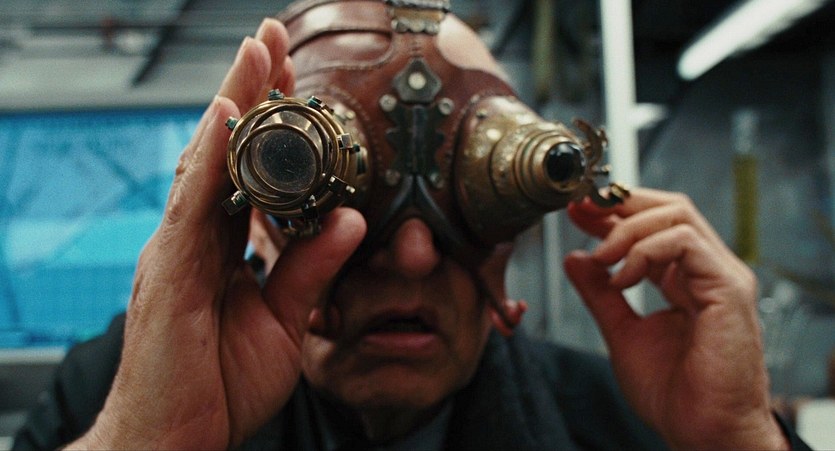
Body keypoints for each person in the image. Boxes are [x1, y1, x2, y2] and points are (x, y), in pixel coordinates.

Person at [13, 1, 808, 450]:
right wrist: (145, 441)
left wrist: (738, 437)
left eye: (474, 187)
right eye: (346, 190)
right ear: (252, 214)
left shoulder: (633, 421)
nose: (415, 252)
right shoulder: (117, 393)